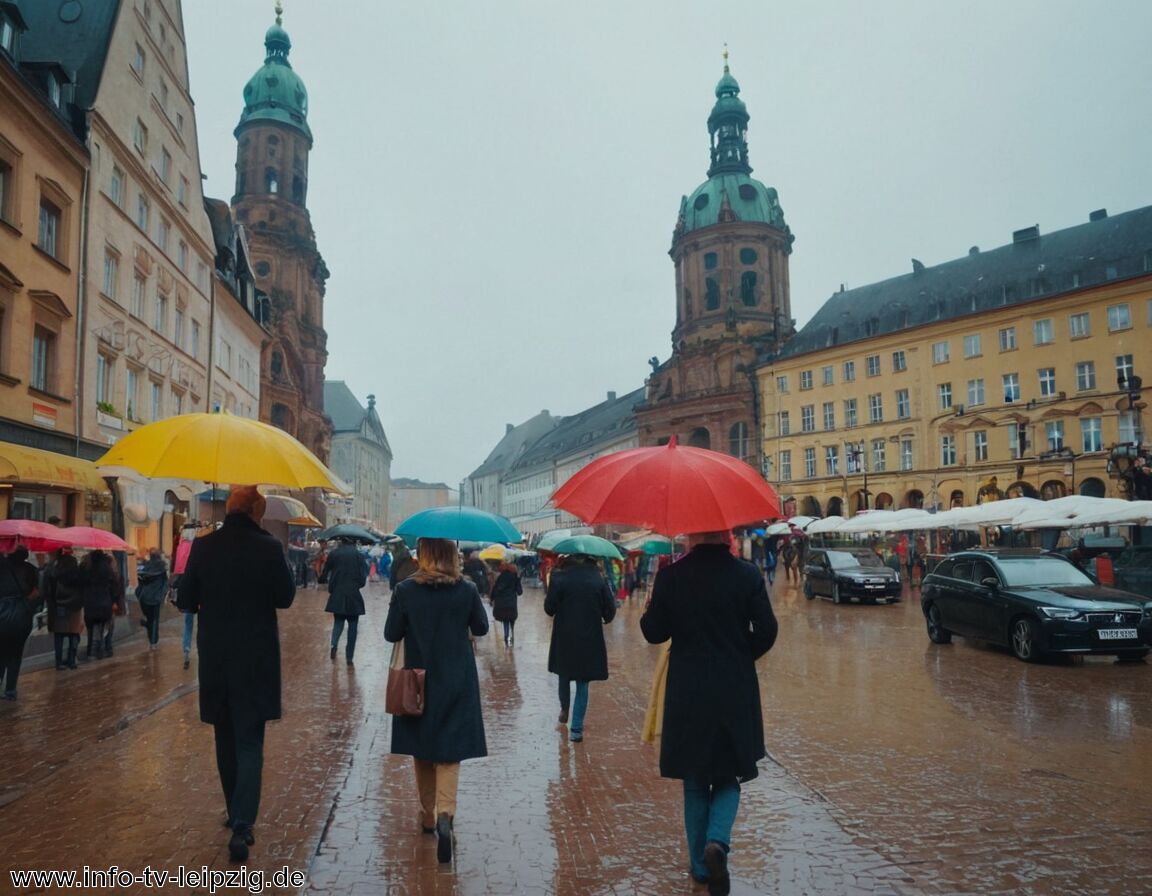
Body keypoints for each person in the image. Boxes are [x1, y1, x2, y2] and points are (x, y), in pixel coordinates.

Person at [640, 530, 778, 896]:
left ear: (693, 536)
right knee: (730, 774)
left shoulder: (671, 576)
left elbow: (653, 632)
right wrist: (739, 654)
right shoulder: (747, 574)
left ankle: (701, 867)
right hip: (734, 688)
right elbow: (768, 630)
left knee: (696, 780)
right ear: (727, 536)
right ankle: (717, 842)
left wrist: (652, 603)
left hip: (688, 691)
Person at [176, 485, 296, 863]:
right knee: (249, 742)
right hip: (256, 658)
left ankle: (234, 811)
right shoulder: (269, 547)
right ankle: (244, 824)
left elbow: (183, 600)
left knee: (224, 738)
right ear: (258, 512)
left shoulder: (205, 545)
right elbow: (285, 597)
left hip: (216, 657)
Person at [384, 537, 488, 864]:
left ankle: (428, 815)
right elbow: (481, 627)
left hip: (418, 679)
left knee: (422, 747)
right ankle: (446, 814)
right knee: (450, 751)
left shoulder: (406, 590)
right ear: (452, 556)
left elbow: (391, 633)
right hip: (457, 678)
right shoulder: (466, 590)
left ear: (424, 556)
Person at [544, 553, 617, 742]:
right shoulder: (598, 579)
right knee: (583, 682)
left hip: (564, 636)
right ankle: (576, 729)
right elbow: (610, 611)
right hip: (589, 636)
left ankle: (564, 709)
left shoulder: (559, 577)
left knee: (564, 674)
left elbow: (549, 608)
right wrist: (601, 615)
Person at [320, 537, 367, 665]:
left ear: (341, 541)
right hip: (353, 595)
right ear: (354, 542)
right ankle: (349, 656)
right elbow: (363, 579)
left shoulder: (334, 553)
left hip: (338, 593)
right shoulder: (359, 555)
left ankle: (333, 645)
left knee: (338, 622)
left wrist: (322, 580)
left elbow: (325, 572)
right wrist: (357, 584)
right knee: (353, 626)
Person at [0, 549, 40, 699]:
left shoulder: (1, 566)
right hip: (22, 616)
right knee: (16, 654)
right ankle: (11, 690)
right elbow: (37, 593)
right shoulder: (30, 570)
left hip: (2, 614)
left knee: (1, 651)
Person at [42, 547, 82, 669]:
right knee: (74, 632)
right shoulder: (75, 566)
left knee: (59, 634)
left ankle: (59, 662)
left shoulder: (51, 568)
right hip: (75, 605)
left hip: (58, 605)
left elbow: (46, 588)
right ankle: (72, 661)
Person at [80, 549, 120, 660]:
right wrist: (114, 601)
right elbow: (114, 585)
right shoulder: (107, 568)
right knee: (104, 628)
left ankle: (90, 651)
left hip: (90, 604)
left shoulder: (85, 568)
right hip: (104, 603)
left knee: (91, 630)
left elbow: (80, 583)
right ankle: (101, 650)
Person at [171, 525, 197, 669]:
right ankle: (202, 649)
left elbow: (176, 570)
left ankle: (186, 650)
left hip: (184, 589)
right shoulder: (196, 547)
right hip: (196, 588)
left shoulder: (180, 546)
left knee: (188, 622)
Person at [136, 549, 168, 650]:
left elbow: (140, 581)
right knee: (154, 620)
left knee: (150, 618)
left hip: (144, 597)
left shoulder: (145, 566)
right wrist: (163, 595)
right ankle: (153, 642)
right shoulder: (161, 567)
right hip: (155, 597)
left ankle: (151, 636)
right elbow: (165, 583)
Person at [489, 555, 522, 646]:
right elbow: (520, 592)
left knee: (506, 624)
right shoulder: (515, 578)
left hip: (502, 605)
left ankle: (508, 644)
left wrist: (491, 599)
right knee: (511, 623)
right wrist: (518, 579)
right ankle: (510, 644)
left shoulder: (500, 578)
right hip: (512, 605)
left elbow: (496, 590)